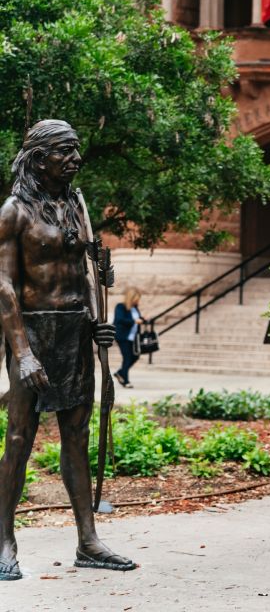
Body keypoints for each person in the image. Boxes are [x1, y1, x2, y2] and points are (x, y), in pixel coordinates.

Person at [0, 120, 135, 581]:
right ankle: (4, 539)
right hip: (33, 333)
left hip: (76, 332)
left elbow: (88, 268)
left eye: (76, 151)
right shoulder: (13, 212)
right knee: (19, 439)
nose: (76, 159)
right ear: (39, 158)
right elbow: (4, 286)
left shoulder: (76, 205)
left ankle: (88, 541)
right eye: (66, 152)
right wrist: (23, 353)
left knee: (76, 436)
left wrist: (98, 320)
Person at [113, 287, 145, 388]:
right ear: (131, 297)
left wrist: (142, 319)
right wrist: (134, 321)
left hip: (133, 337)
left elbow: (137, 319)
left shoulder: (135, 308)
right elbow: (119, 320)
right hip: (123, 336)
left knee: (135, 356)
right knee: (127, 358)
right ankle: (126, 381)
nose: (138, 300)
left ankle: (120, 373)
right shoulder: (120, 307)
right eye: (137, 298)